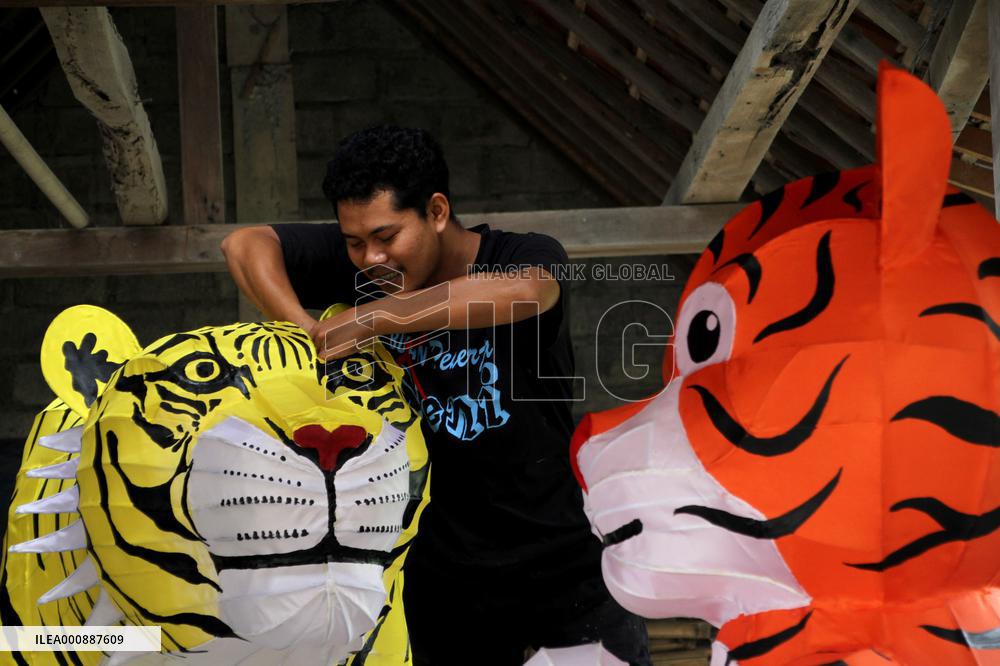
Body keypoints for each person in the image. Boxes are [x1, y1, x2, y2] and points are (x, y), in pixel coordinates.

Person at [221, 125, 650, 665]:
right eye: (353, 242)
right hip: (442, 577)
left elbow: (526, 291)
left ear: (438, 211)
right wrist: (308, 333)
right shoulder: (368, 263)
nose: (369, 257)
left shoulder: (519, 254)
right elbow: (244, 246)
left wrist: (374, 317)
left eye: (385, 236)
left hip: (566, 557)